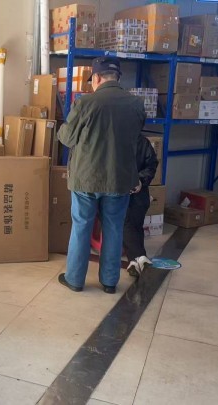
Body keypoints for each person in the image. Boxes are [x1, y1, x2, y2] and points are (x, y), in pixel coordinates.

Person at [57, 56, 145, 294]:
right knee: (114, 229)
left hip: (86, 179)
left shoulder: (85, 103)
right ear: (118, 77)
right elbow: (136, 137)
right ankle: (109, 282)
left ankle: (75, 279)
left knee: (81, 227)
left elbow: (67, 138)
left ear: (96, 78)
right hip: (119, 179)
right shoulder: (136, 104)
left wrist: (65, 126)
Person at [124, 135, 159, 277]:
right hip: (131, 192)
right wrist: (139, 180)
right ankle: (139, 258)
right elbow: (152, 165)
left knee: (130, 223)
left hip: (131, 192)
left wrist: (139, 180)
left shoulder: (140, 141)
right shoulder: (142, 141)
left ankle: (135, 259)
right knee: (131, 223)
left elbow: (152, 164)